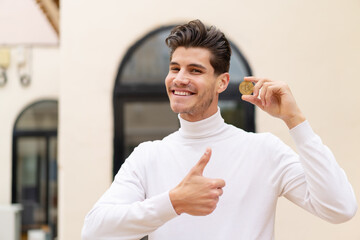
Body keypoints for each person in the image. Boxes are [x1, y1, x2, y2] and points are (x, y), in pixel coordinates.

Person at [81, 19, 357, 240]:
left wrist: (296, 121)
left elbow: (340, 208)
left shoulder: (264, 150)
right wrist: (174, 202)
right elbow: (94, 232)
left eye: (195, 71)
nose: (179, 79)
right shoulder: (148, 156)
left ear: (222, 82)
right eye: (174, 68)